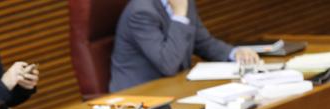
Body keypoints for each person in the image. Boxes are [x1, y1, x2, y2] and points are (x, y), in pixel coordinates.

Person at [109, 0, 260, 91]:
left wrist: (234, 53)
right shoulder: (141, 12)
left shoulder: (184, 2)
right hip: (139, 96)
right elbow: (167, 64)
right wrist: (180, 14)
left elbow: (202, 42)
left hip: (173, 87)